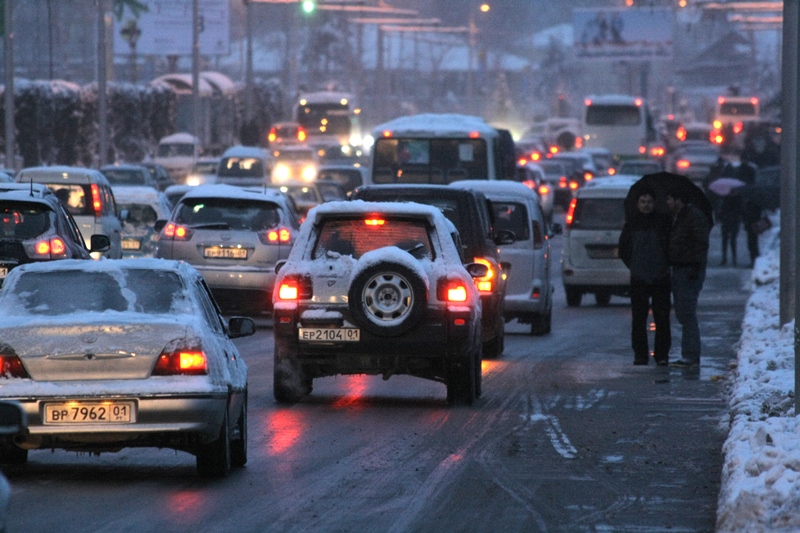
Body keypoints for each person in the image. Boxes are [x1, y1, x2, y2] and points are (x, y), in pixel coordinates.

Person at [618, 189, 672, 366]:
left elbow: (671, 247)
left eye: (649, 201)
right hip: (639, 278)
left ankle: (662, 355)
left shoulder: (664, 223)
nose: (646, 205)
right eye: (643, 201)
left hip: (661, 277)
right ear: (638, 204)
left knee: (662, 318)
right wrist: (635, 266)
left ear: (654, 203)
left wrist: (665, 265)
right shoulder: (632, 224)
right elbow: (623, 249)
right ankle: (640, 355)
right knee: (639, 319)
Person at [666, 188, 710, 368]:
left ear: (679, 200)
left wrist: (694, 268)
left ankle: (691, 356)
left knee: (687, 314)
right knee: (683, 314)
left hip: (688, 271)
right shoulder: (682, 216)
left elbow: (700, 244)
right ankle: (689, 355)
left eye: (669, 198)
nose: (667, 203)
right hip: (681, 270)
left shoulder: (692, 217)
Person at [718, 189, 743, 266]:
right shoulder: (739, 199)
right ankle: (733, 259)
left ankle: (725, 258)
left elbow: (721, 210)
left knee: (726, 240)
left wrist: (720, 217)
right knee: (732, 240)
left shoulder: (725, 199)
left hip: (727, 221)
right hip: (734, 221)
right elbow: (741, 211)